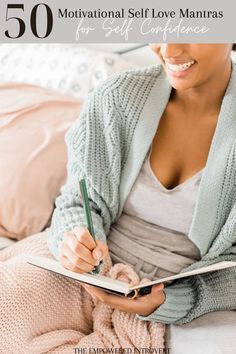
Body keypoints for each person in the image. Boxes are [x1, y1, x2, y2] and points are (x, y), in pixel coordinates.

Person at [1, 44, 236, 353]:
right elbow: (76, 202)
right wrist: (73, 241)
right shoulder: (116, 96)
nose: (170, 49)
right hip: (84, 274)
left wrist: (174, 301)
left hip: (172, 300)